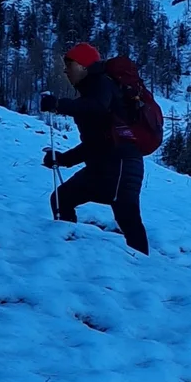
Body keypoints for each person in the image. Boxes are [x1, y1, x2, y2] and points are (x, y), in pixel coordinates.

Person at [41, 42, 149, 254]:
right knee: (62, 198)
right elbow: (96, 142)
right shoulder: (92, 92)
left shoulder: (101, 84)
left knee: (128, 218)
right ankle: (67, 251)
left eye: (69, 65)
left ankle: (144, 270)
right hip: (104, 166)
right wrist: (62, 159)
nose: (65, 70)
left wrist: (59, 105)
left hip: (121, 166)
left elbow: (96, 108)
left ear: (83, 66)